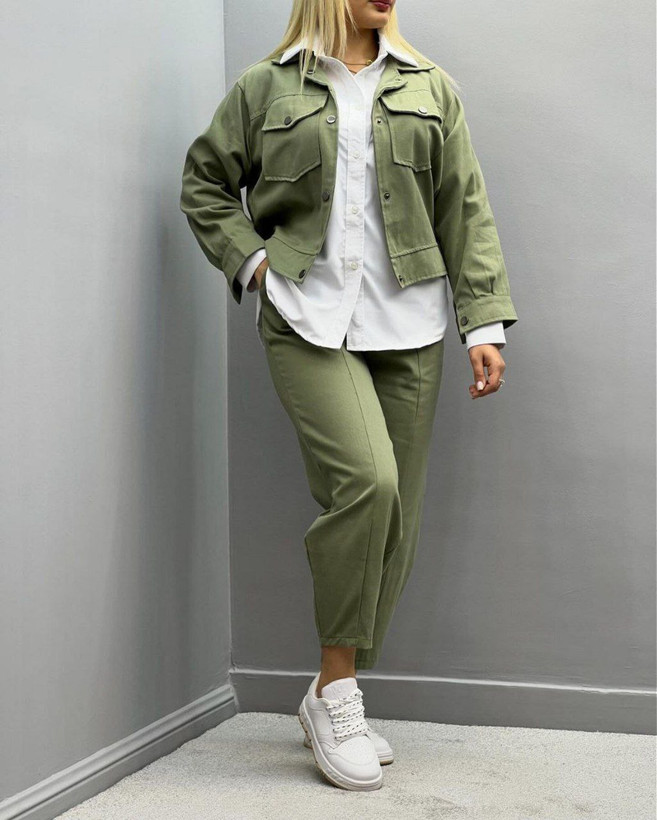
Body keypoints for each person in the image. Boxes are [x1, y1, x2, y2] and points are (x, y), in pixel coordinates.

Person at [180, 0, 518, 792]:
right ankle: (336, 691)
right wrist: (254, 264)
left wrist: (481, 322)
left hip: (411, 321)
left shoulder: (429, 86)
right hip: (306, 317)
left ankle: (334, 693)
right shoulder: (266, 86)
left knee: (397, 518)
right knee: (368, 485)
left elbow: (463, 206)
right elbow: (205, 183)